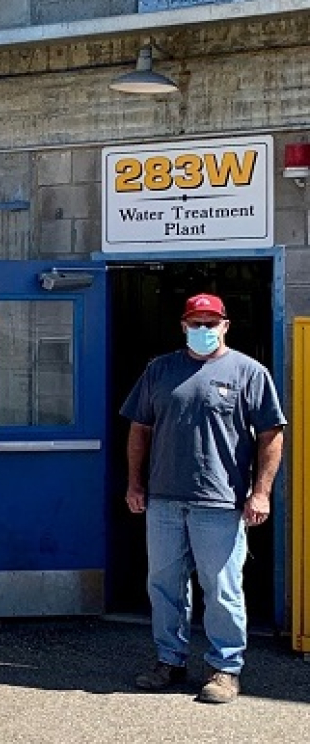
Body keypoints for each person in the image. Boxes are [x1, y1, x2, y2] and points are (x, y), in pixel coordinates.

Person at [121, 293, 285, 704]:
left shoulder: (249, 372)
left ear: (226, 325)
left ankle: (225, 668)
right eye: (196, 322)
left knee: (223, 588)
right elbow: (139, 428)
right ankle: (169, 660)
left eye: (211, 323)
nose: (204, 330)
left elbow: (271, 434)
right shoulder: (160, 370)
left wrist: (261, 493)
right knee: (164, 586)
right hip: (164, 502)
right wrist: (135, 485)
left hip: (220, 503)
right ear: (183, 325)